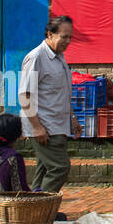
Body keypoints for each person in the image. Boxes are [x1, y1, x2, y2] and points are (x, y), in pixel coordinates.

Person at [19, 16, 80, 193]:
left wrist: (73, 118)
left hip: (58, 124)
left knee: (44, 169)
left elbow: (62, 92)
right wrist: (37, 127)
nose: (67, 42)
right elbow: (24, 95)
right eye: (64, 37)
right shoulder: (36, 57)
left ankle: (33, 210)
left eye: (70, 37)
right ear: (50, 34)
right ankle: (42, 210)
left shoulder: (60, 57)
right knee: (59, 168)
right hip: (44, 126)